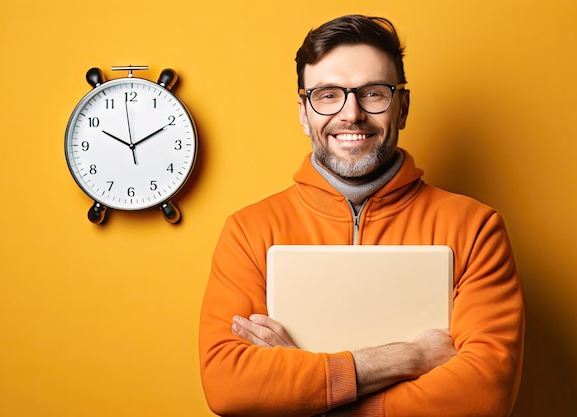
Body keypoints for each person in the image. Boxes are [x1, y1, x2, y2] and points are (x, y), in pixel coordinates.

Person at [199, 14, 524, 417]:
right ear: (304, 113)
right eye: (328, 94)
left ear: (402, 107)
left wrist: (309, 395)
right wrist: (406, 358)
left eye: (373, 93)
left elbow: (484, 394)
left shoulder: (475, 228)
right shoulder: (249, 231)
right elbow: (228, 385)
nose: (351, 114)